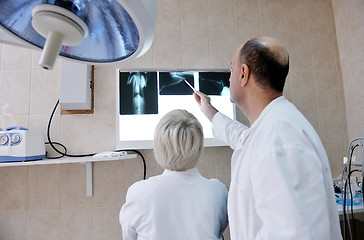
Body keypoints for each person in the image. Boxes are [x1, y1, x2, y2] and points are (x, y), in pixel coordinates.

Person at [194, 37, 342, 240]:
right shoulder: (273, 125)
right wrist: (209, 111)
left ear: (244, 74)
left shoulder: (280, 138)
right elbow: (242, 138)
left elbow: (294, 234)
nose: (229, 78)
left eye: (231, 70)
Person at [119, 109, 228, 240]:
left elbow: (129, 236)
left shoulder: (138, 192)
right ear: (198, 147)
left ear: (159, 146)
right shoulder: (218, 192)